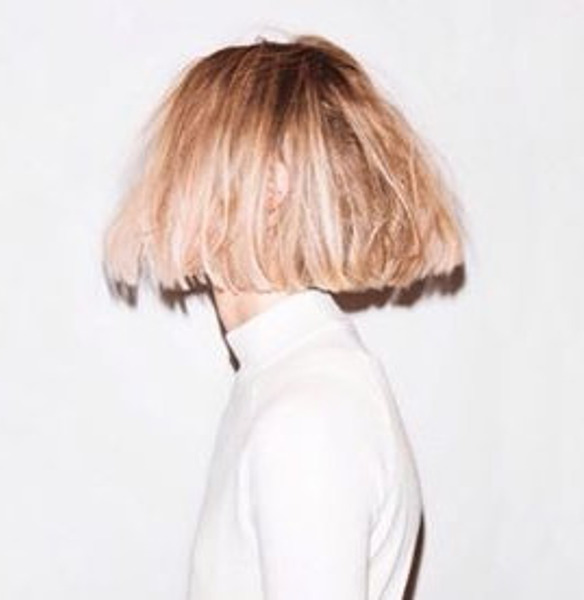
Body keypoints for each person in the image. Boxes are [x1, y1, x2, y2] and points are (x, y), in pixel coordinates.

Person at [102, 33, 465, 600]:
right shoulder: (283, 379)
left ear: (272, 185)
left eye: (189, 157)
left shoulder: (306, 415)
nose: (163, 183)